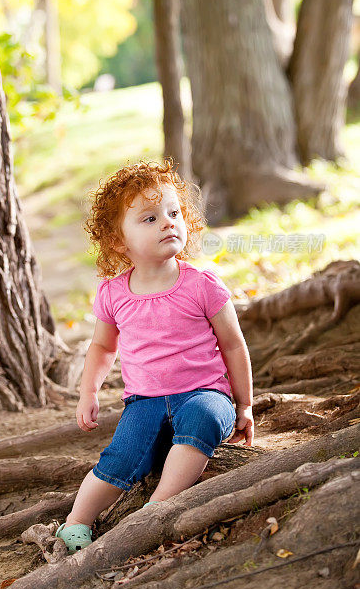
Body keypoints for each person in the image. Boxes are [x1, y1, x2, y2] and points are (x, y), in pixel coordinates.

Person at [55, 160, 254, 552]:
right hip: (144, 402)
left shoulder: (201, 285)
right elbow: (102, 347)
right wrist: (88, 393)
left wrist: (244, 404)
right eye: (149, 218)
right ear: (118, 241)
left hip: (203, 391)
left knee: (203, 419)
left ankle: (158, 507)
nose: (168, 223)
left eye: (174, 212)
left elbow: (233, 344)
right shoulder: (113, 294)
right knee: (121, 455)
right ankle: (76, 522)